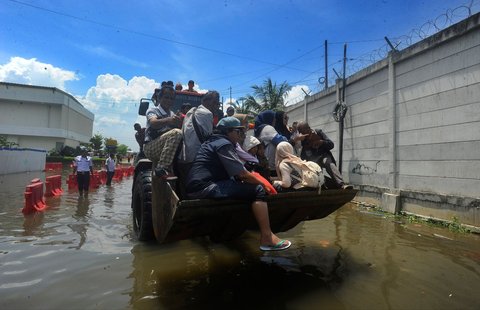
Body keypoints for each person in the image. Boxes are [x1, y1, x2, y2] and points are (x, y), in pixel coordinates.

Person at [186, 117, 291, 251]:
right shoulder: (223, 144)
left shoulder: (214, 142)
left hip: (199, 186)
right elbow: (242, 174)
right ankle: (267, 237)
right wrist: (265, 185)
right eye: (238, 131)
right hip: (205, 187)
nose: (241, 135)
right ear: (228, 131)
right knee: (258, 190)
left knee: (247, 186)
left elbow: (238, 174)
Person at [296, 121, 352, 189]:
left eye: (303, 131)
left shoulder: (318, 132)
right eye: (300, 132)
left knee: (329, 163)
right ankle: (320, 187)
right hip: (314, 161)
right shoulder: (302, 140)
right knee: (315, 172)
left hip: (324, 156)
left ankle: (341, 184)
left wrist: (322, 142)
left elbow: (331, 144)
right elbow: (303, 156)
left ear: (308, 128)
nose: (302, 133)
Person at [144, 81, 183, 178]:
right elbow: (153, 123)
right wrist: (169, 120)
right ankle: (162, 168)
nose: (169, 100)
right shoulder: (153, 110)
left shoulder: (172, 114)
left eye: (171, 98)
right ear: (159, 98)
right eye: (166, 97)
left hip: (165, 147)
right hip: (150, 146)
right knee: (177, 133)